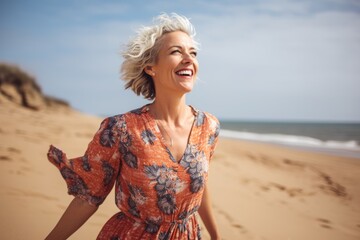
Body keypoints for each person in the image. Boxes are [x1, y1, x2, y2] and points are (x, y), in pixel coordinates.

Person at [46, 13, 221, 240]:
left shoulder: (208, 127)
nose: (189, 58)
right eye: (176, 51)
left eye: (193, 53)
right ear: (151, 68)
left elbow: (199, 186)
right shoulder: (121, 129)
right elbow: (88, 198)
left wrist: (216, 235)